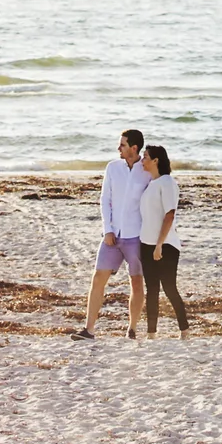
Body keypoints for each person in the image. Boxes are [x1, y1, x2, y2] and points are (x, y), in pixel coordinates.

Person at [77, 128, 147, 339]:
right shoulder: (112, 168)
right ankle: (89, 329)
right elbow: (104, 200)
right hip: (112, 237)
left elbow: (154, 202)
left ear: (134, 148)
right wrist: (107, 229)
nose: (119, 148)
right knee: (98, 278)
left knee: (136, 281)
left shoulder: (147, 170)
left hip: (136, 237)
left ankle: (132, 329)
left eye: (123, 144)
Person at [137, 143, 187, 339]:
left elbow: (170, 215)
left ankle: (184, 330)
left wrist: (159, 244)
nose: (143, 160)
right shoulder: (151, 184)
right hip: (146, 243)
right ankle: (151, 333)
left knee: (169, 288)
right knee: (152, 289)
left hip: (165, 245)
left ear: (156, 160)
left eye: (145, 157)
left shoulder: (167, 182)